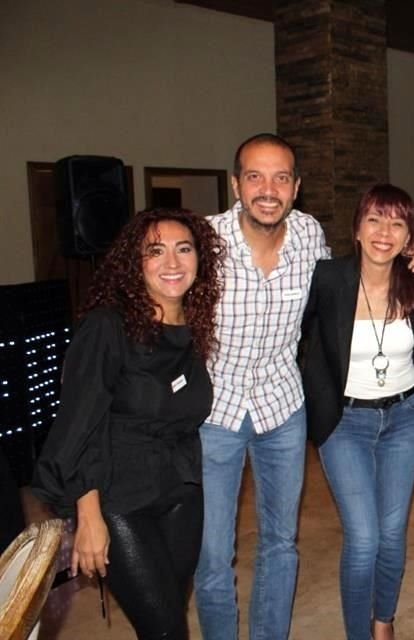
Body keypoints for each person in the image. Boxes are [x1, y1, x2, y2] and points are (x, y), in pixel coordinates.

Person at [33, 208, 224, 639]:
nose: (172, 263)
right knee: (165, 630)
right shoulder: (106, 327)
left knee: (167, 617)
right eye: (155, 251)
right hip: (119, 499)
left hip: (181, 492)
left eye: (183, 249)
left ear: (200, 259)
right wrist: (88, 515)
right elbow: (79, 425)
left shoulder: (191, 328)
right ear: (133, 262)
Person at [194, 133, 331, 640]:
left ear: (296, 187)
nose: (267, 189)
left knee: (280, 541)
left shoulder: (310, 237)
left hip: (282, 408)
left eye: (280, 177)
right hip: (215, 413)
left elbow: (349, 287)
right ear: (236, 184)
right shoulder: (203, 242)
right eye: (255, 176)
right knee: (212, 553)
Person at [301, 184, 414, 640]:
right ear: (356, 228)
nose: (384, 232)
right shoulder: (327, 279)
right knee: (364, 539)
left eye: (397, 223)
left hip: (406, 420)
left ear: (409, 236)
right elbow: (296, 341)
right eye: (375, 220)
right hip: (346, 424)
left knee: (392, 533)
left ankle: (383, 622)